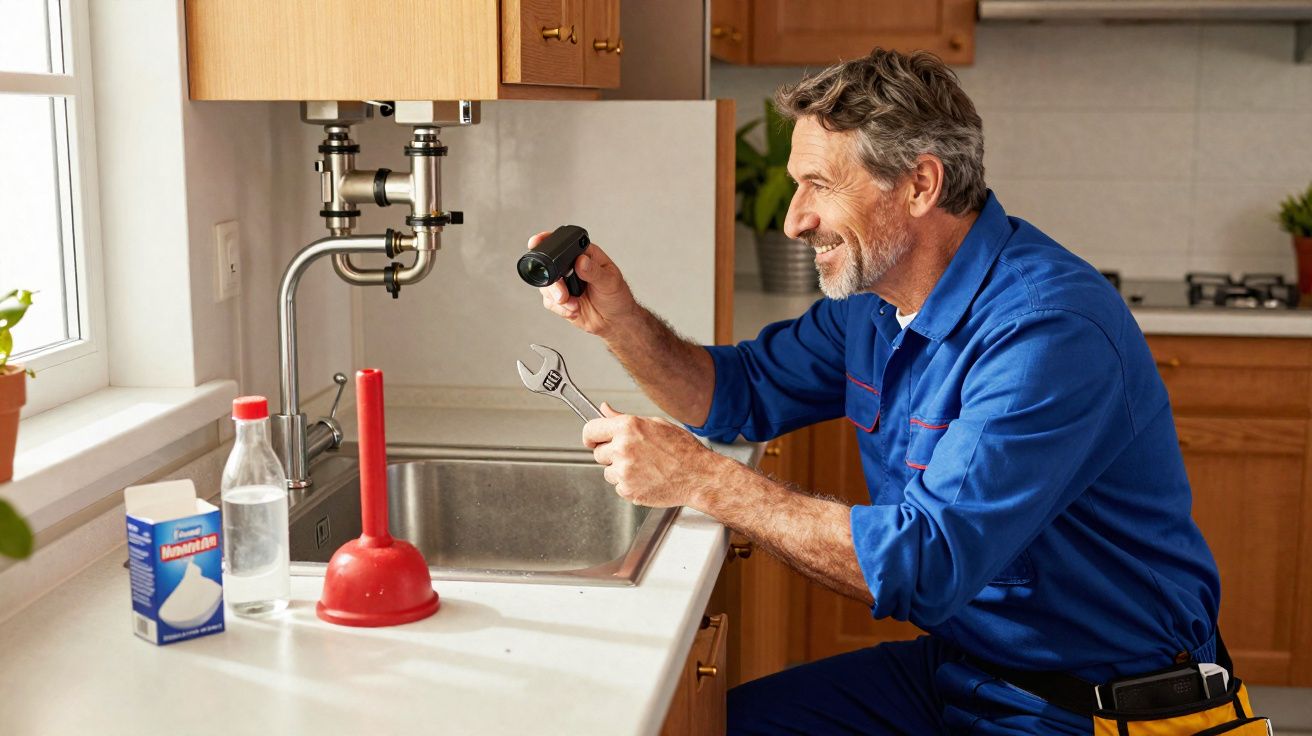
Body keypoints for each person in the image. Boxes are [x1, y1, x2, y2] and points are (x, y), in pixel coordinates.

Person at [530, 48, 1220, 735]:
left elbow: (928, 563)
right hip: (965, 670)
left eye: (819, 185)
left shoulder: (1045, 331)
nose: (794, 220)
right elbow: (734, 393)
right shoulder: (877, 303)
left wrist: (704, 479)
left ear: (920, 184)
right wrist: (618, 320)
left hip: (1095, 707)